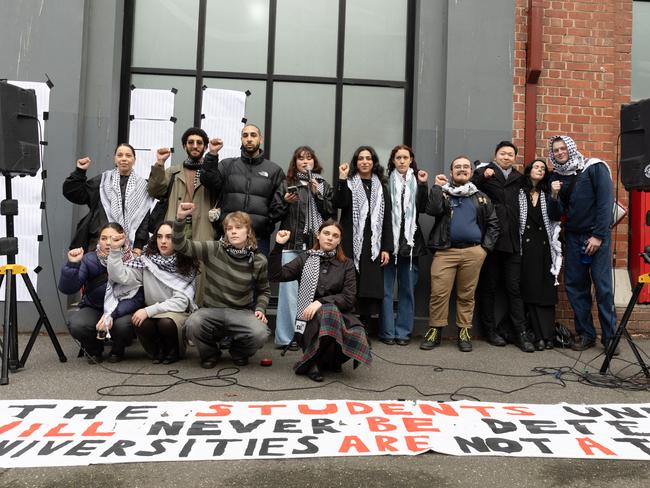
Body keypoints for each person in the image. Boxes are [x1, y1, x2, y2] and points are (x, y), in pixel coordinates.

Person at [269, 221, 372, 382]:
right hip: (311, 322)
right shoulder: (304, 259)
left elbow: (349, 298)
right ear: (318, 235)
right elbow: (275, 276)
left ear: (339, 241)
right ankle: (313, 362)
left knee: (332, 312)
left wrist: (320, 302)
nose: (330, 238)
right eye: (326, 233)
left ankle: (330, 360)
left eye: (335, 236)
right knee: (327, 313)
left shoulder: (347, 264)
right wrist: (278, 246)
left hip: (341, 319)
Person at [174, 203, 270, 368]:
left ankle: (238, 352)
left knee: (260, 333)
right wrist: (180, 219)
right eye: (229, 228)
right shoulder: (214, 249)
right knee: (192, 324)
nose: (233, 231)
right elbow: (181, 246)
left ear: (248, 231)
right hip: (212, 310)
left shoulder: (259, 260)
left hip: (241, 312)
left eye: (238, 227)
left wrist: (260, 309)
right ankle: (210, 353)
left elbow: (264, 291)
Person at [422, 157, 499, 352]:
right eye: (458, 167)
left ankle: (464, 332)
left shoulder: (481, 196)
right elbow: (432, 210)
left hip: (473, 252)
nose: (462, 170)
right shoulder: (443, 192)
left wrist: (484, 249)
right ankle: (435, 331)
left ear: (471, 172)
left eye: (466, 167)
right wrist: (437, 189)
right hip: (445, 251)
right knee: (439, 293)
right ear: (451, 172)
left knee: (466, 295)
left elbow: (493, 224)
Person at [548, 135, 616, 352]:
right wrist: (554, 195)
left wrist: (598, 236)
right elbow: (555, 214)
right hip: (573, 238)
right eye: (555, 150)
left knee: (603, 288)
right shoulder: (557, 177)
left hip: (596, 237)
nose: (559, 153)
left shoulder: (595, 168)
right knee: (576, 287)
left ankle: (610, 337)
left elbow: (606, 205)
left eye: (562, 148)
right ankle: (586, 334)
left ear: (570, 147)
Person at [106, 221, 200, 364]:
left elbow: (181, 302)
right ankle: (157, 352)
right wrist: (114, 251)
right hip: (152, 312)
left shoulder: (186, 263)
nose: (163, 241)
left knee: (166, 323)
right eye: (160, 237)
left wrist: (148, 311)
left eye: (169, 237)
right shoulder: (147, 261)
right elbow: (120, 276)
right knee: (140, 321)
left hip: (176, 313)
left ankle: (174, 352)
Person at [471, 141, 534, 352]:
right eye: (502, 153)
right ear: (495, 155)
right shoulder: (485, 173)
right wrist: (482, 175)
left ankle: (520, 333)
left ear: (514, 158)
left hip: (514, 242)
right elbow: (469, 186)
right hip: (492, 241)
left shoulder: (519, 178)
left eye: (510, 154)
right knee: (488, 287)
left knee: (514, 289)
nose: (506, 157)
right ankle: (489, 331)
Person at [275, 146, 335, 350]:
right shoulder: (286, 183)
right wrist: (285, 203)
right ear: (295, 163)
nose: (305, 162)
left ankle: (306, 335)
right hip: (292, 243)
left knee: (310, 293)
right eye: (300, 158)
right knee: (288, 293)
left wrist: (317, 194)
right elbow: (274, 213)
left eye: (309, 158)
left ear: (314, 162)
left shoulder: (323, 185)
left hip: (314, 246)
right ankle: (285, 338)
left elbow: (329, 213)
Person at [58, 222, 144, 363]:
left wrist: (110, 315)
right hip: (95, 307)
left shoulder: (134, 261)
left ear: (123, 240)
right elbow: (67, 289)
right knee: (77, 324)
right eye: (104, 238)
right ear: (98, 241)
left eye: (113, 238)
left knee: (124, 325)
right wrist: (72, 264)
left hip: (122, 310)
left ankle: (118, 349)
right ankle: (93, 350)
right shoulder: (89, 259)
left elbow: (137, 299)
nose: (108, 243)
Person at [200, 124, 285, 255]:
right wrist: (212, 154)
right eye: (245, 135)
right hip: (229, 235)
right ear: (241, 139)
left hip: (259, 238)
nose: (249, 139)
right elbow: (208, 182)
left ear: (260, 139)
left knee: (257, 274)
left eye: (253, 135)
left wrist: (265, 222)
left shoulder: (274, 170)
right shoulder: (227, 165)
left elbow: (279, 204)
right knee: (226, 275)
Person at [334, 146, 393, 333]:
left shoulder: (382, 187)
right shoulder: (349, 183)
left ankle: (364, 329)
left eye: (368, 158)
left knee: (369, 287)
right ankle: (347, 327)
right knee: (350, 284)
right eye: (361, 158)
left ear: (374, 162)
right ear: (356, 162)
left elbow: (387, 220)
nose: (365, 162)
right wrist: (342, 179)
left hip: (373, 245)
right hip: (350, 241)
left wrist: (386, 248)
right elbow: (339, 204)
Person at [64, 143, 153, 253]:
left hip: (131, 249)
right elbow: (75, 194)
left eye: (128, 155)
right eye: (120, 155)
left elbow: (143, 218)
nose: (124, 159)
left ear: (134, 160)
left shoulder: (143, 186)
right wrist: (80, 172)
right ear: (114, 159)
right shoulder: (102, 181)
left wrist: (138, 246)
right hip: (97, 245)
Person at [380, 145, 429, 346]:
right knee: (385, 291)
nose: (401, 161)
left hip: (410, 245)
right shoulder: (384, 183)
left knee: (407, 290)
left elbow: (424, 208)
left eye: (405, 157)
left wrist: (424, 185)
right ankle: (387, 332)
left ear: (411, 160)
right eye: (398, 157)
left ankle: (403, 332)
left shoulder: (418, 181)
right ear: (392, 160)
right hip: (389, 244)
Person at [518, 159, 563, 350]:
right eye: (536, 166)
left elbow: (555, 216)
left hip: (545, 247)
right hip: (525, 248)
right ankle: (539, 336)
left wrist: (554, 194)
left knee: (545, 290)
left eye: (543, 168)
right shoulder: (519, 192)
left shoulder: (547, 193)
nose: (540, 170)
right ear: (528, 171)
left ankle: (547, 336)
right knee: (530, 289)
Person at [148, 127, 221, 241]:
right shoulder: (172, 172)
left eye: (199, 143)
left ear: (206, 147)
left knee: (199, 258)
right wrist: (160, 163)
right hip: (175, 226)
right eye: (190, 142)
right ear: (184, 146)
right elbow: (154, 192)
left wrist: (213, 154)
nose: (195, 146)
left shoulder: (212, 173)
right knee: (174, 258)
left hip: (203, 228)